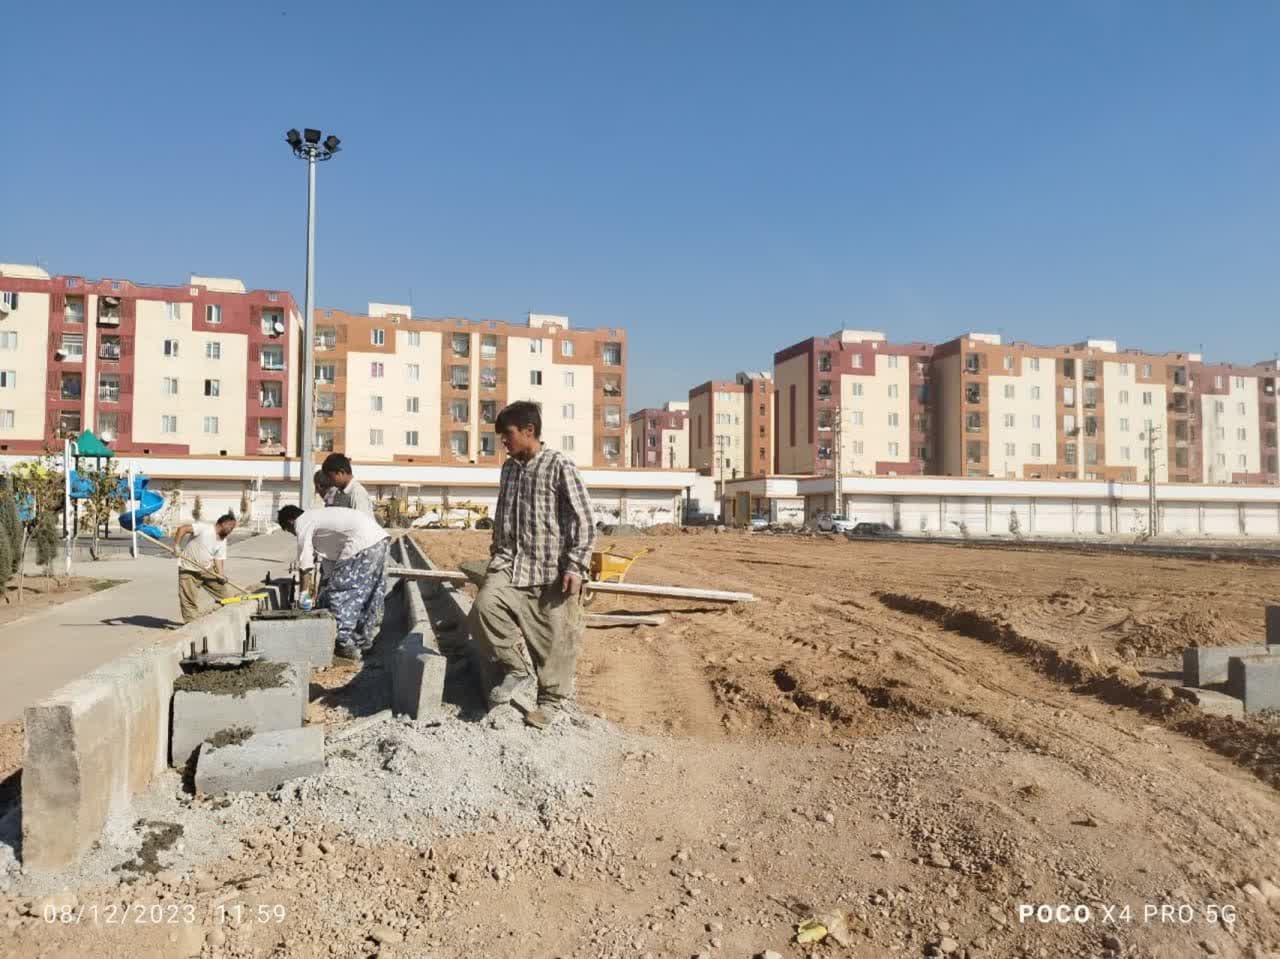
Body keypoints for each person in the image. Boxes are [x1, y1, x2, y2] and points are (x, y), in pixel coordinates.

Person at [469, 401, 596, 729]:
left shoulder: (558, 465)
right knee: (484, 608)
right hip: (511, 565)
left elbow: (584, 520)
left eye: (508, 435)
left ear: (529, 431)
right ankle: (515, 667)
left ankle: (549, 702)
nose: (504, 443)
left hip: (549, 571)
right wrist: (497, 551)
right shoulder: (508, 469)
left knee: (552, 642)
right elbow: (502, 514)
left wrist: (576, 566)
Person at [277, 504, 389, 660]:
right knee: (368, 593)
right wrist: (324, 587)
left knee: (341, 593)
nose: (293, 534)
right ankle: (364, 642)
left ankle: (343, 644)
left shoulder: (302, 522)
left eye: (289, 531)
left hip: (361, 542)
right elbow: (331, 566)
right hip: (378, 540)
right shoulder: (321, 522)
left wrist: (303, 594)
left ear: (290, 522)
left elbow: (305, 563)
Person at [173, 512, 237, 623]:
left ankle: (215, 614)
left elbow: (219, 558)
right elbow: (182, 529)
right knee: (188, 599)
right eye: (231, 526)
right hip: (189, 569)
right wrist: (177, 545)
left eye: (233, 527)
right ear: (223, 523)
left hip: (207, 569)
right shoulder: (205, 528)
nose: (232, 529)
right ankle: (192, 624)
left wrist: (221, 575)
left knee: (227, 596)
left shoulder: (222, 540)